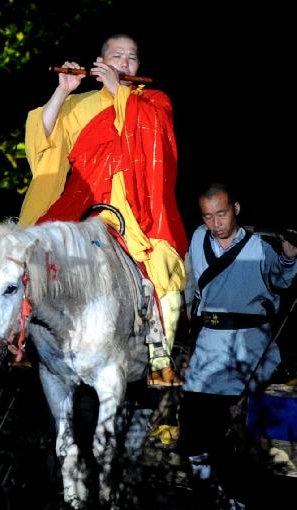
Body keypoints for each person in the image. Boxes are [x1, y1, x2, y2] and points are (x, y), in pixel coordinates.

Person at [20, 33, 188, 386]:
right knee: (29, 256)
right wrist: (63, 90)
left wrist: (120, 94)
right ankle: (19, 343)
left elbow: (157, 138)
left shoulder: (153, 102)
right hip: (84, 204)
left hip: (135, 210)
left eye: (132, 57)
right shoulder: (79, 105)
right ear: (100, 63)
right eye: (117, 56)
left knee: (165, 264)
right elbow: (45, 141)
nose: (126, 62)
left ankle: (161, 357)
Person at [179, 182, 297, 510]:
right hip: (208, 346)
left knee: (234, 434)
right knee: (192, 434)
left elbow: (281, 279)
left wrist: (289, 256)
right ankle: (218, 500)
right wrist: (184, 330)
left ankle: (241, 503)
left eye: (222, 213)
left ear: (236, 209)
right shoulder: (198, 239)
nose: (215, 222)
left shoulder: (260, 246)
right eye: (208, 215)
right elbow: (190, 286)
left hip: (248, 346)